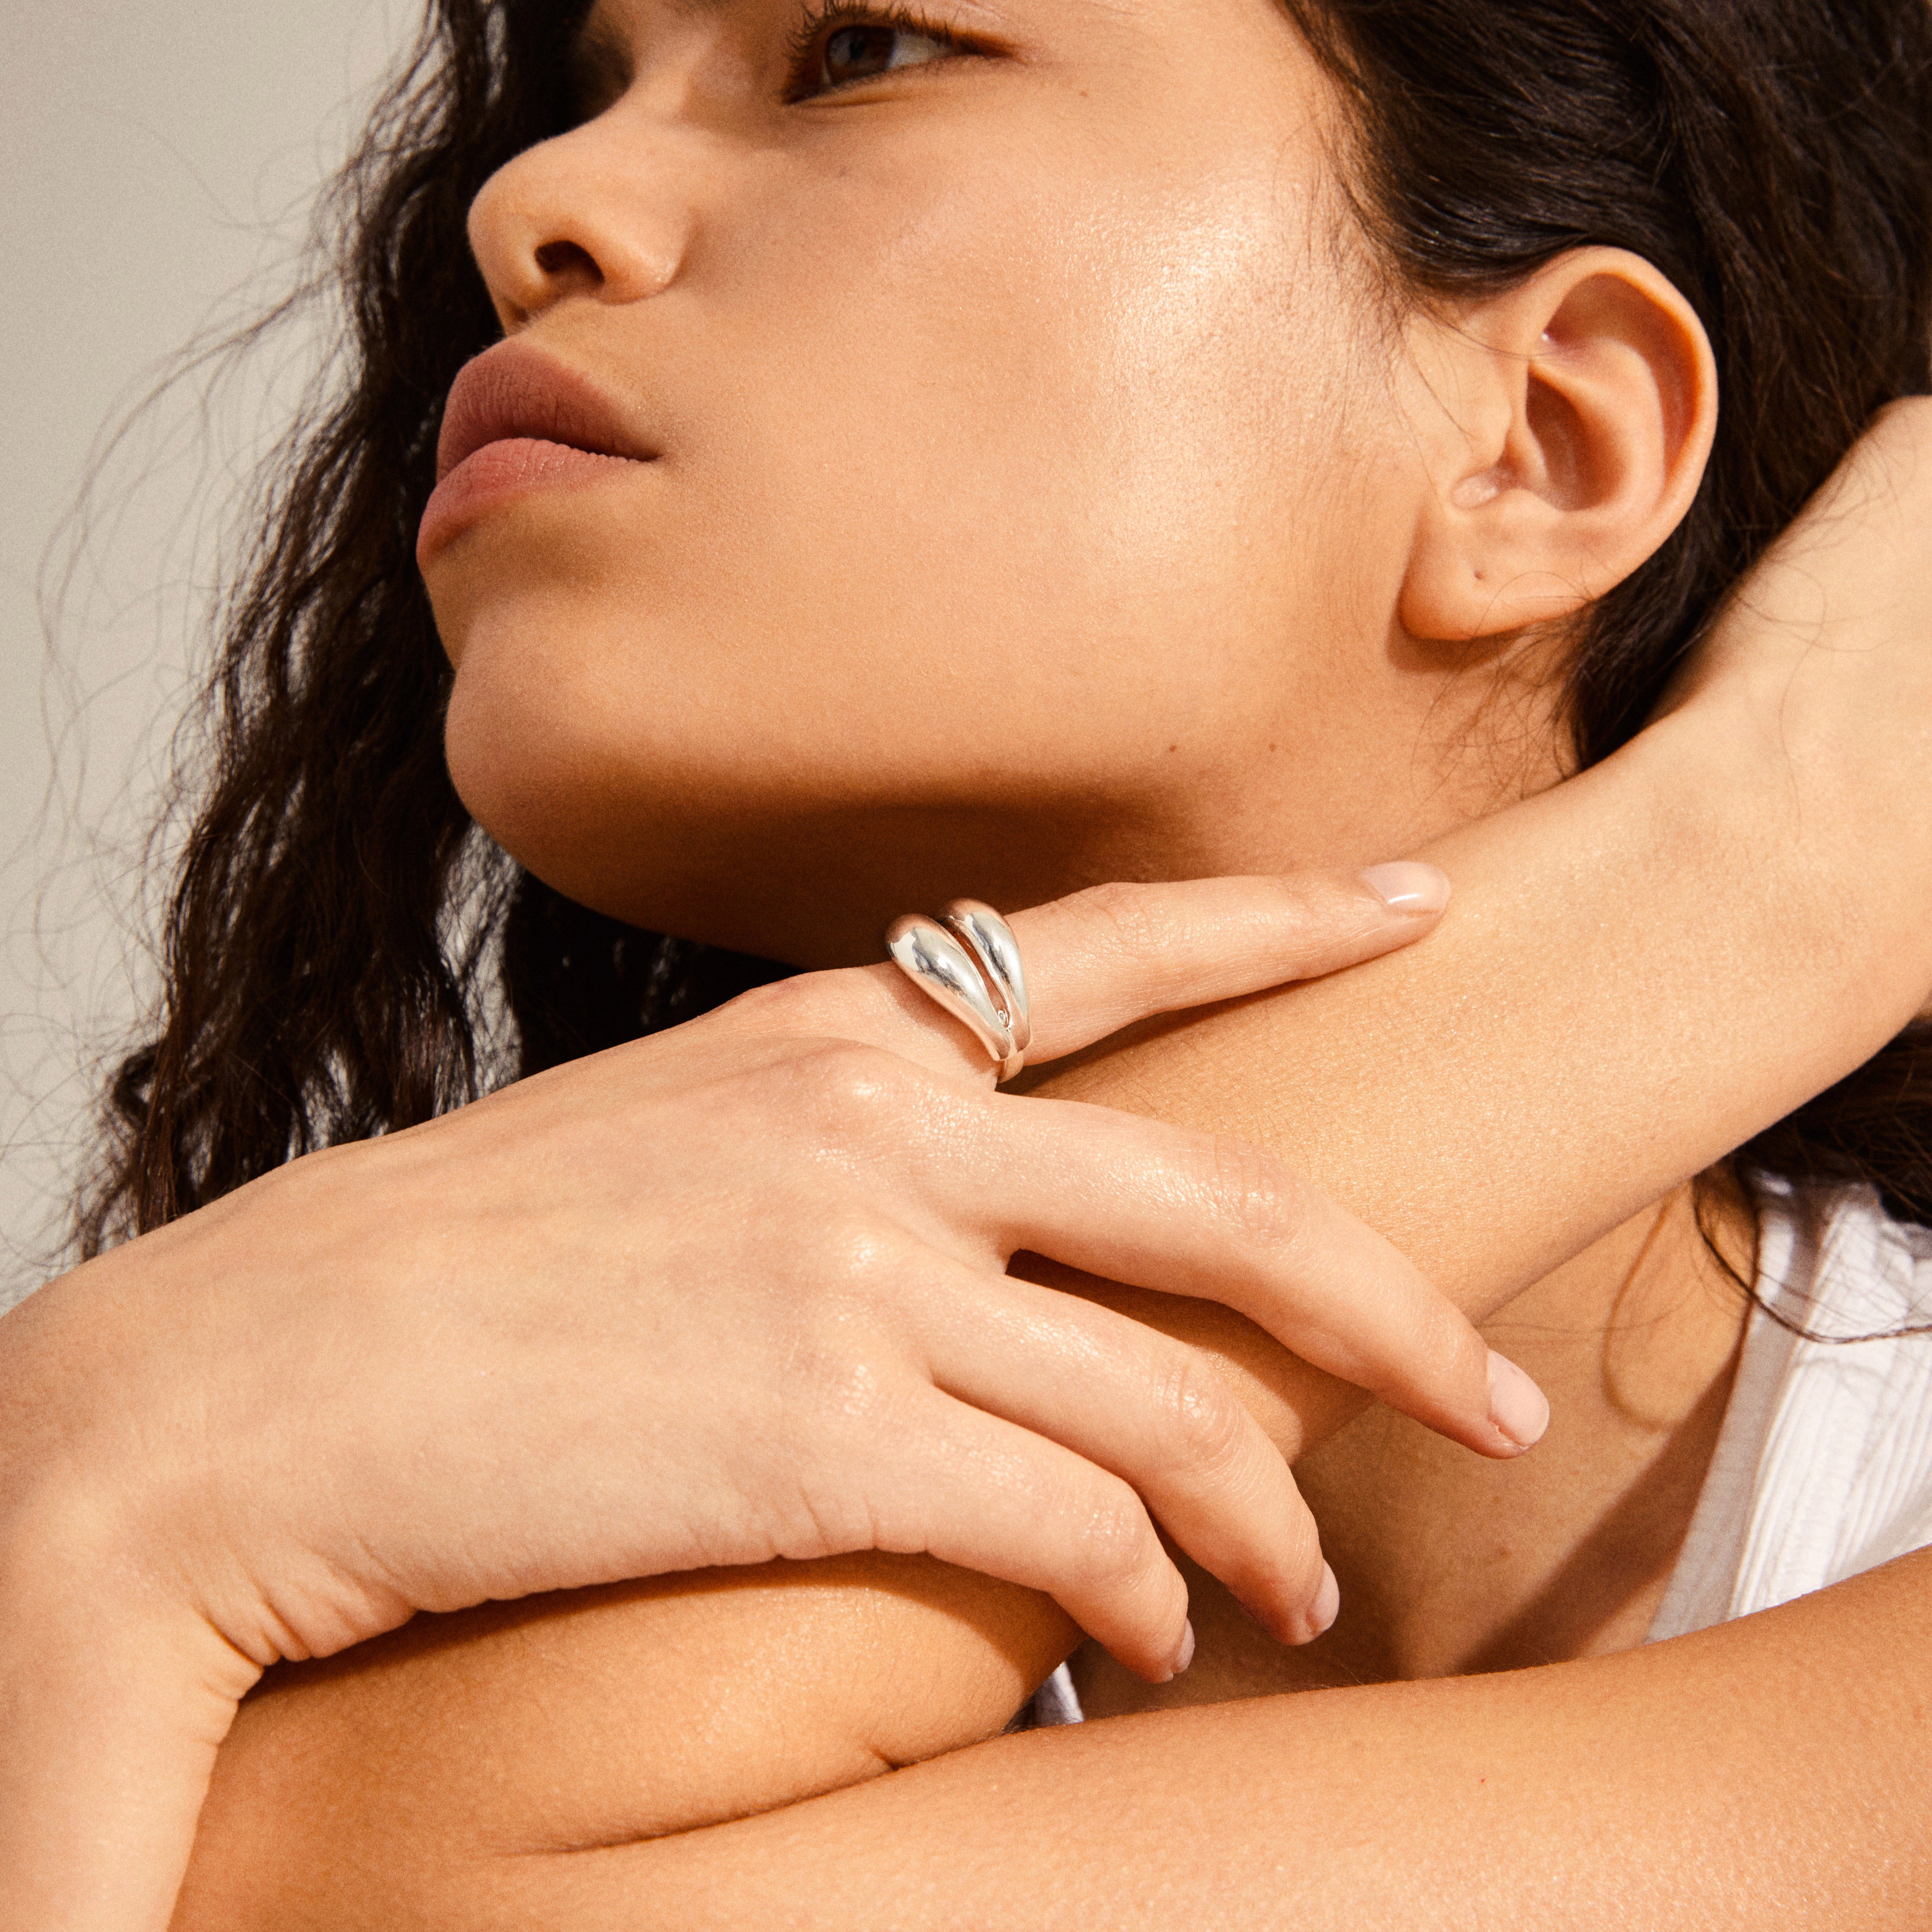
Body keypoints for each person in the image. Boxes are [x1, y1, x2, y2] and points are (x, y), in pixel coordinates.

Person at [1, 0, 1929, 1924]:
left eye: (863, 50)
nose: (537, 199)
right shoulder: (313, 1487)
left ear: (1540, 441)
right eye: (593, 86)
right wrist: (1745, 873)